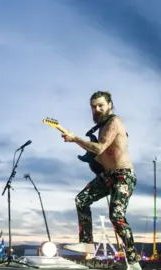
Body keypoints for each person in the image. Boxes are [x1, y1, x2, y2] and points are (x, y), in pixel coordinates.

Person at [61, 91, 141, 269]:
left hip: (123, 175)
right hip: (108, 175)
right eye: (93, 107)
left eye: (100, 106)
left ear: (110, 105)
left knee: (116, 216)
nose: (96, 109)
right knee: (81, 200)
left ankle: (134, 263)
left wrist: (75, 139)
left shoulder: (114, 121)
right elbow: (99, 155)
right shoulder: (100, 128)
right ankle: (86, 243)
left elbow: (100, 147)